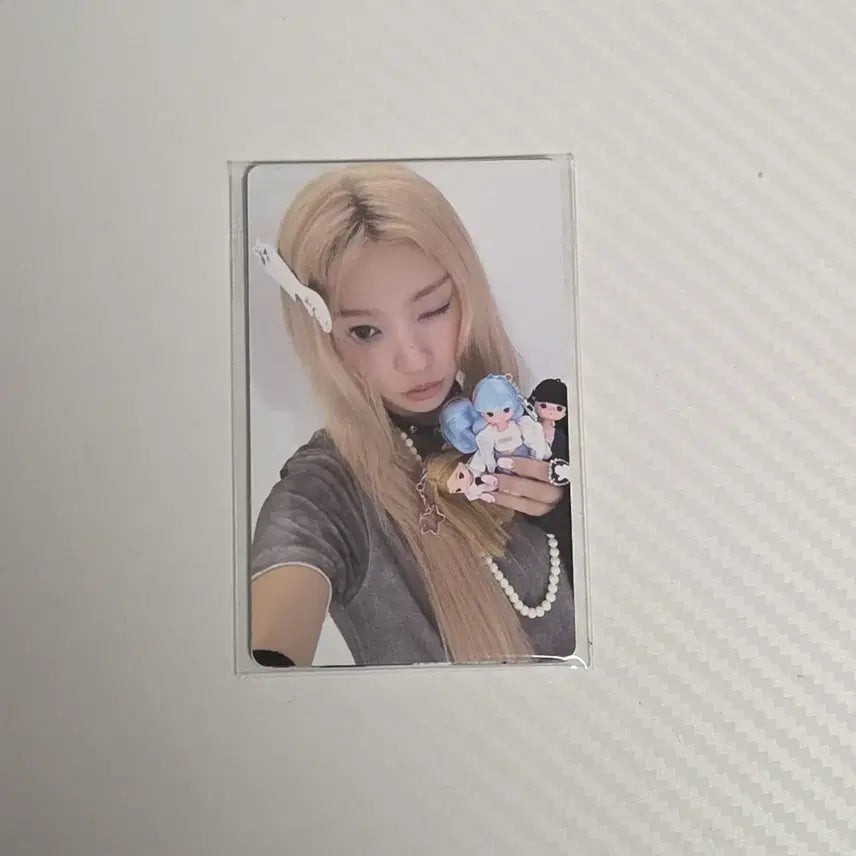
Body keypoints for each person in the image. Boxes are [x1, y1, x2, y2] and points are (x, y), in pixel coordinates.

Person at [249, 162, 575, 667]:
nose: (415, 360)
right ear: (321, 334)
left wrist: (578, 514)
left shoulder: (540, 430)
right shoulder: (328, 490)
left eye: (433, 310)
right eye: (365, 332)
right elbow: (265, 657)